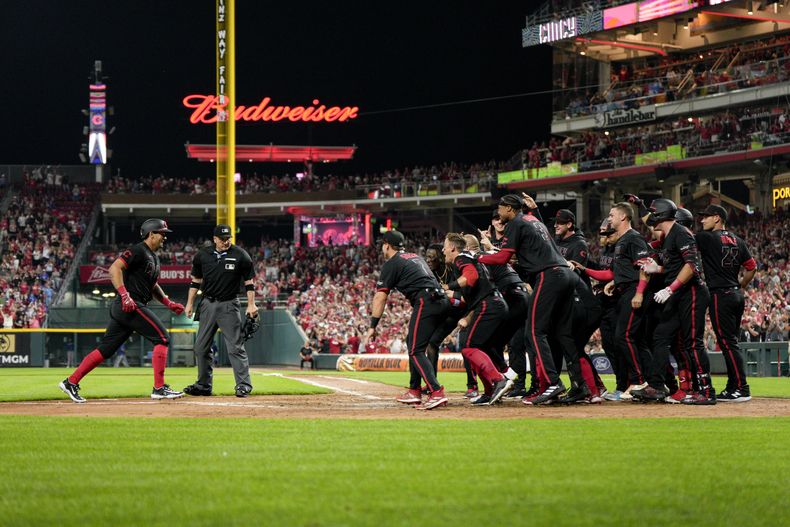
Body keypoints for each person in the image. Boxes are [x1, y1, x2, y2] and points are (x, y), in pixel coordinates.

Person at [58, 218, 185, 403]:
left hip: (128, 306)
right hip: (130, 304)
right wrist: (125, 295)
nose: (165, 238)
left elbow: (153, 285)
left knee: (106, 349)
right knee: (162, 338)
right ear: (151, 234)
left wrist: (167, 302)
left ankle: (71, 382)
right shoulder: (138, 250)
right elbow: (114, 268)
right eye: (162, 234)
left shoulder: (153, 257)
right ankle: (159, 388)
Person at [478, 194, 580, 405]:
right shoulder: (533, 220)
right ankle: (581, 385)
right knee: (562, 333)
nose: (499, 213)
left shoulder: (515, 223)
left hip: (549, 275)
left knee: (534, 331)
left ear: (508, 208)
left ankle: (552, 382)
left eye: (500, 208)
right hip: (566, 275)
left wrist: (477, 256)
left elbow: (502, 258)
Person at [637, 198, 716, 405]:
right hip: (679, 293)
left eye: (654, 213)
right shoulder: (669, 236)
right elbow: (677, 265)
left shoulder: (681, 233)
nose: (650, 218)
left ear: (662, 215)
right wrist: (658, 269)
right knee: (661, 336)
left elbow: (692, 265)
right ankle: (656, 386)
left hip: (692, 292)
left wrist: (670, 288)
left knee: (693, 343)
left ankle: (706, 391)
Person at [363, 230, 449, 410]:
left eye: (382, 244)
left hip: (426, 301)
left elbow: (380, 297)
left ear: (386, 245)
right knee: (413, 343)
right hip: (441, 301)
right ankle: (414, 390)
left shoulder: (392, 263)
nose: (381, 247)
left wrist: (372, 326)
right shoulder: (415, 257)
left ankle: (436, 391)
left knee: (416, 350)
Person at [577, 202, 652, 401]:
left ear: (623, 217)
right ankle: (639, 383)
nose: (609, 218)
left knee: (624, 337)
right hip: (623, 289)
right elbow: (619, 271)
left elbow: (645, 267)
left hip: (632, 291)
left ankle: (640, 381)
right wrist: (613, 282)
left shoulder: (634, 238)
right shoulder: (622, 241)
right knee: (624, 338)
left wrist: (639, 292)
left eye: (612, 215)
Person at [183, 224, 258, 398]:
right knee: (201, 348)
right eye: (223, 239)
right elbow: (195, 282)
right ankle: (203, 385)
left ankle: (244, 385)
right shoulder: (202, 255)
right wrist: (189, 304)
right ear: (214, 239)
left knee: (235, 347)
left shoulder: (241, 255)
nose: (226, 241)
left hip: (229, 305)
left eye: (228, 238)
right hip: (208, 304)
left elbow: (249, 283)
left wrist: (251, 304)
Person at [443, 233, 514, 405]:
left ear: (453, 248)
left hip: (488, 305)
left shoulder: (460, 258)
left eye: (445, 246)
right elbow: (470, 291)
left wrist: (448, 286)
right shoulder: (471, 257)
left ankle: (499, 380)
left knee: (468, 348)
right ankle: (490, 390)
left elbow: (471, 276)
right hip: (497, 304)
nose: (443, 250)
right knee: (481, 348)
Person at [696, 204, 757, 402]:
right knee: (731, 342)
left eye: (705, 217)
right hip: (735, 294)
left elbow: (683, 237)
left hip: (720, 294)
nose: (702, 220)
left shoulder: (707, 237)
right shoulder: (738, 240)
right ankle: (733, 386)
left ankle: (741, 387)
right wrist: (741, 285)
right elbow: (751, 267)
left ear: (717, 218)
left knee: (728, 343)